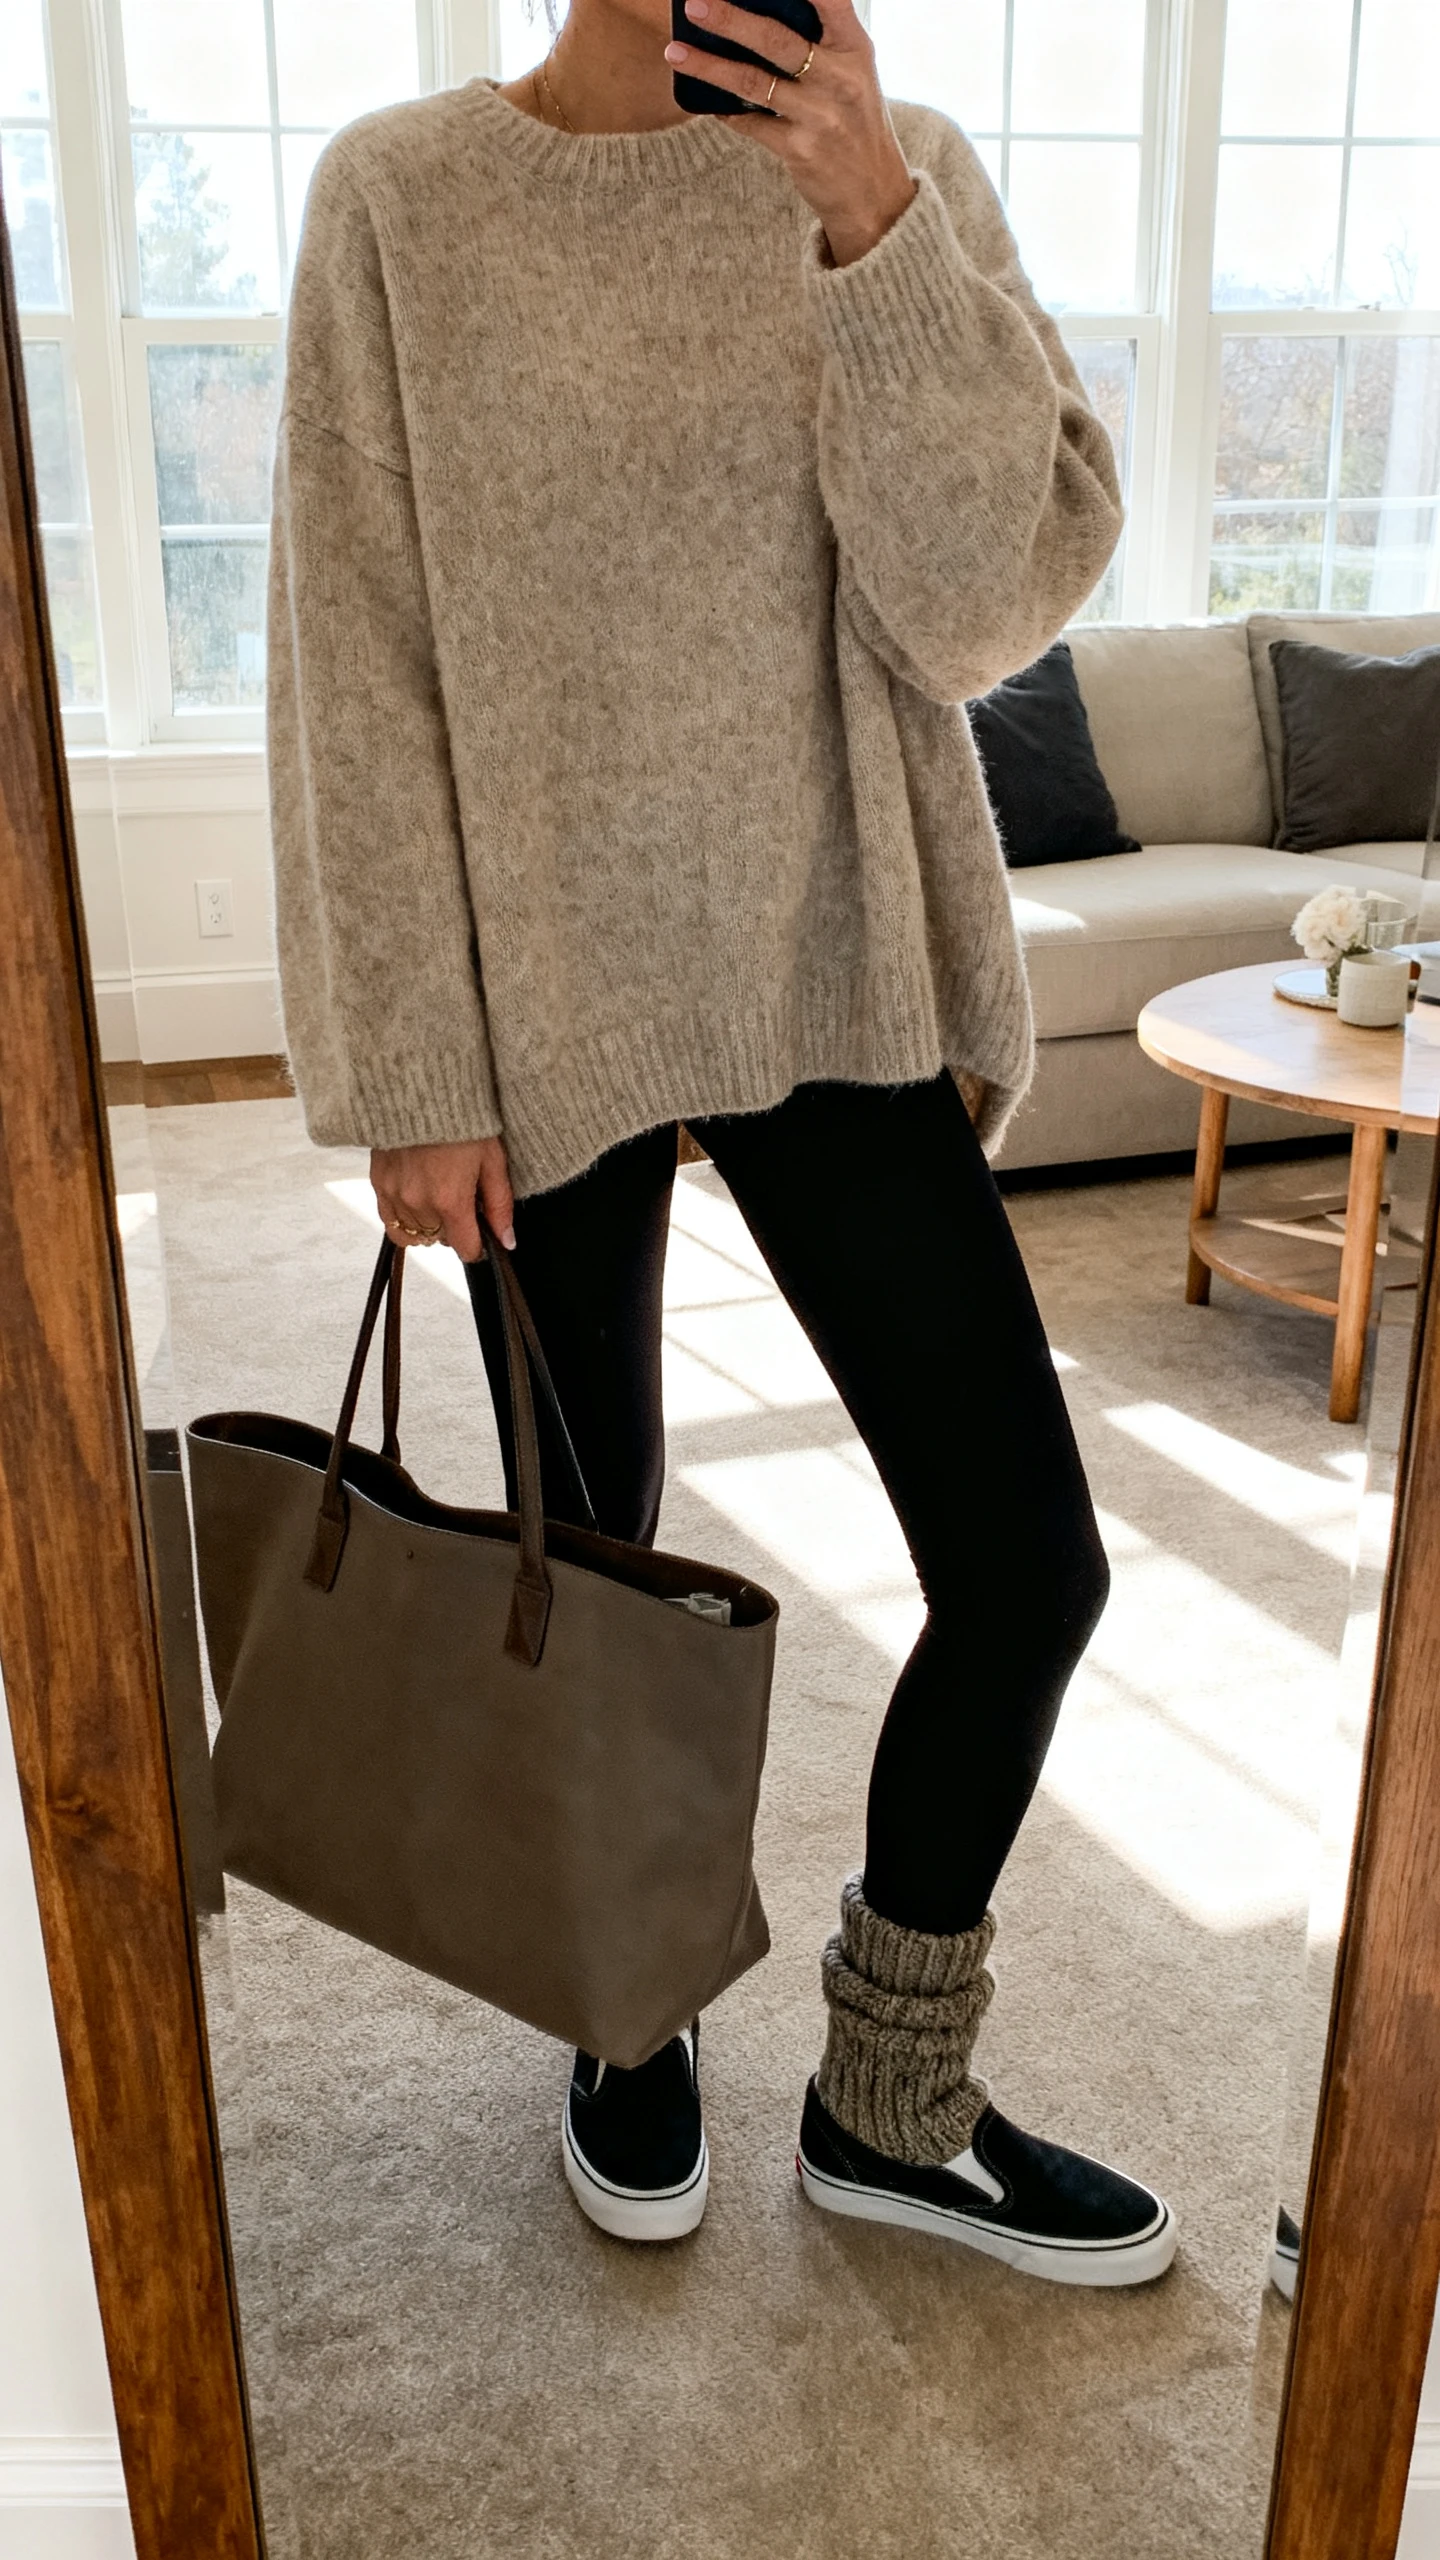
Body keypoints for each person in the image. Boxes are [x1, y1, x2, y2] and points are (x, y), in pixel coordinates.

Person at [267, 0, 1176, 2286]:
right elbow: (354, 654)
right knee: (597, 1581)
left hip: (837, 955)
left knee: (1029, 1561)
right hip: (536, 990)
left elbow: (987, 603)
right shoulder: (401, 197)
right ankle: (626, 2003)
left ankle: (892, 2099)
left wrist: (867, 216)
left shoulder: (904, 169)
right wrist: (411, 1063)